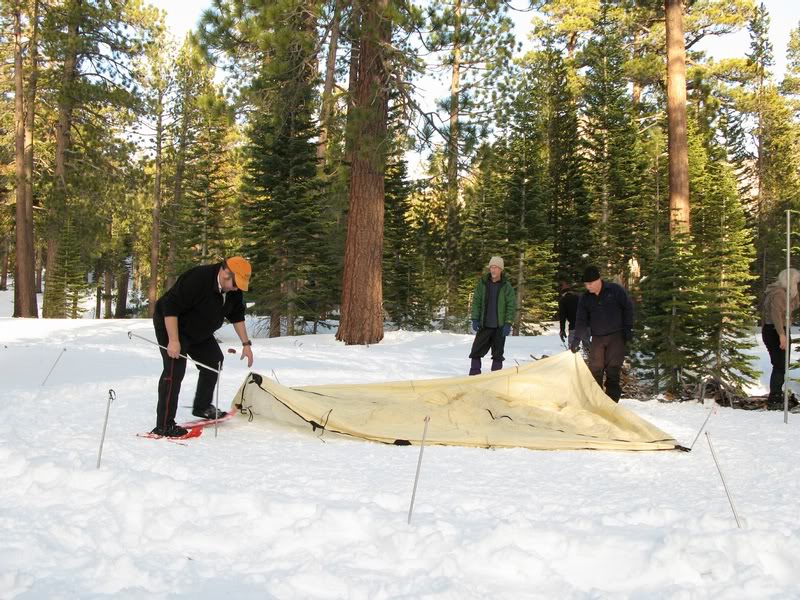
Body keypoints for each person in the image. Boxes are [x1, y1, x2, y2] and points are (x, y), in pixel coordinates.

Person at [151, 257, 255, 437]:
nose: (237, 288)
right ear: (224, 273)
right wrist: (174, 341)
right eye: (235, 284)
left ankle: (202, 406)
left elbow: (237, 314)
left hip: (200, 329)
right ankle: (164, 425)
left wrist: (246, 344)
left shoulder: (233, 290)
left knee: (213, 361)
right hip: (174, 326)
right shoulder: (197, 278)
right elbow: (171, 307)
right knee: (174, 370)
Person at [571, 266, 634, 403]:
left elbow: (628, 308)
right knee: (595, 370)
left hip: (616, 336)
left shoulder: (615, 290)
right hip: (598, 338)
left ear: (598, 280)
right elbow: (581, 320)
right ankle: (597, 401)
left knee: (613, 371)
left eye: (590, 283)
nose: (588, 287)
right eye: (586, 284)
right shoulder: (585, 298)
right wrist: (576, 339)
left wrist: (628, 329)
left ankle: (612, 403)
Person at [468, 256, 516, 375]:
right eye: (491, 267)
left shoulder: (506, 286)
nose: (493, 270)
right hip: (484, 325)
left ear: (501, 269)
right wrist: (475, 319)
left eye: (496, 267)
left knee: (498, 354)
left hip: (499, 327)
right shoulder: (483, 284)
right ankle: (474, 375)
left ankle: (495, 378)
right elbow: (477, 301)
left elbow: (511, 305)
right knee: (476, 351)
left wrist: (508, 323)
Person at [761, 268, 800, 406]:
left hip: (776, 330)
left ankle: (776, 394)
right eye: (796, 281)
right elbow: (776, 315)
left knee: (780, 364)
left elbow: (793, 307)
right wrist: (781, 335)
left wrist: (795, 293)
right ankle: (775, 398)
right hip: (775, 331)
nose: (797, 283)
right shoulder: (778, 294)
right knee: (780, 365)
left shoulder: (783, 292)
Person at [558, 280, 589, 352]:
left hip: (574, 326)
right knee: (587, 346)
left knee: (573, 348)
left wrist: (562, 330)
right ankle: (590, 360)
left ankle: (573, 360)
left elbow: (562, 317)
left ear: (562, 293)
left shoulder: (563, 300)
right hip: (586, 325)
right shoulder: (580, 297)